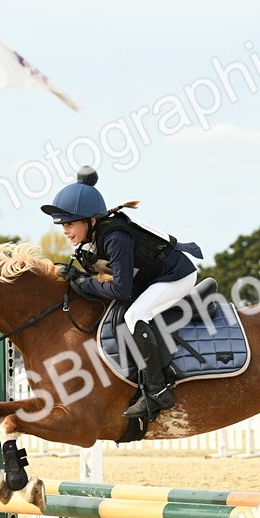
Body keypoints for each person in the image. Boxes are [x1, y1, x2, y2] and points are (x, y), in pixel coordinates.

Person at [41, 167, 202, 419]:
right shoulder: (95, 238)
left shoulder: (115, 237)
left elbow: (121, 289)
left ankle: (157, 391)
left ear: (90, 220)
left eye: (69, 223)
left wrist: (82, 283)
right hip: (152, 279)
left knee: (135, 316)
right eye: (62, 225)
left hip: (176, 276)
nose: (65, 230)